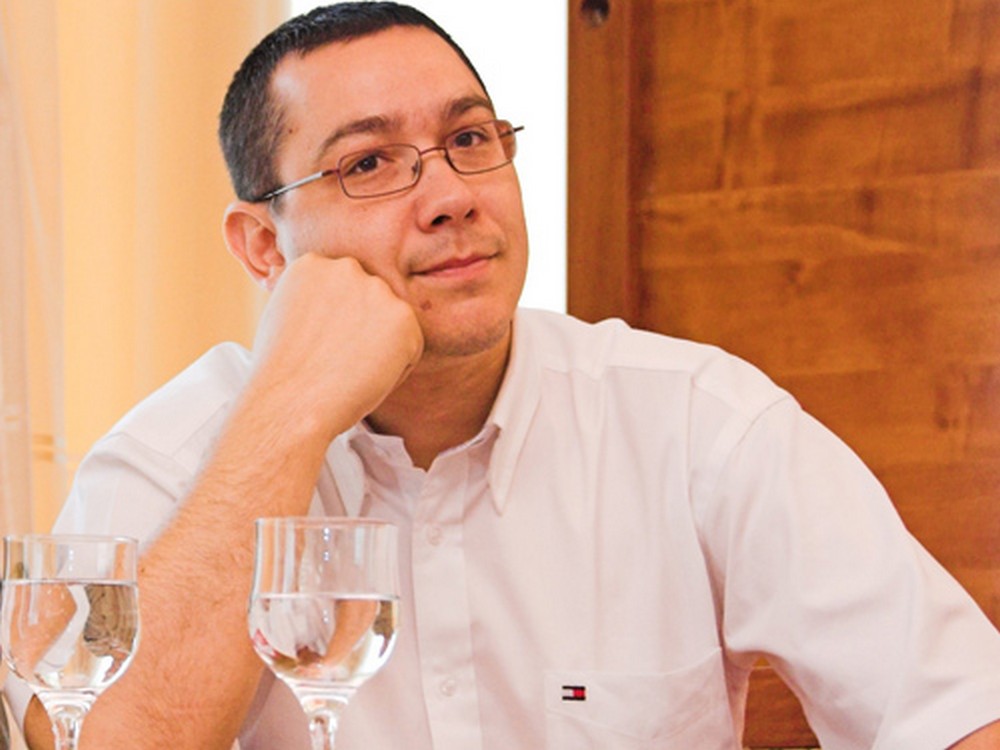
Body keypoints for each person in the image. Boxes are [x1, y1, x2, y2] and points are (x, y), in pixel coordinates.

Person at [5, 3, 1000, 748]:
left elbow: (956, 710)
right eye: (369, 163)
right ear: (264, 246)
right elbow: (98, 740)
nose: (448, 196)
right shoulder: (170, 457)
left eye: (469, 140)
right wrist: (289, 414)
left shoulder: (698, 421)